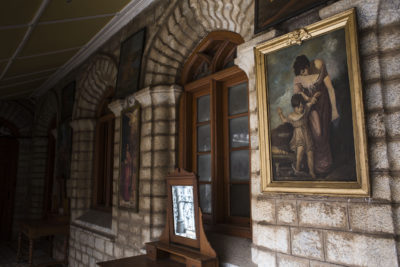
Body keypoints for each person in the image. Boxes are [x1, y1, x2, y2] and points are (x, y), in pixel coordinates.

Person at [292, 55, 339, 174]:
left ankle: (325, 166)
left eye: (304, 71)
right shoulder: (299, 78)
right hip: (311, 107)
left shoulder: (318, 65)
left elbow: (330, 89)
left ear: (307, 66)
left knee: (324, 133)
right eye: (301, 73)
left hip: (324, 105)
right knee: (317, 134)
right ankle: (318, 166)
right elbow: (296, 97)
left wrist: (334, 110)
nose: (303, 74)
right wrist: (307, 98)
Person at [277, 93, 320, 178]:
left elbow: (313, 101)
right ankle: (297, 170)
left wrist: (312, 96)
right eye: (298, 107)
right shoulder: (291, 116)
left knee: (310, 153)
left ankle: (311, 172)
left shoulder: (306, 109)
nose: (301, 108)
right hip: (298, 136)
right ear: (294, 107)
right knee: (300, 152)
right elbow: (285, 121)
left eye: (302, 106)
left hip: (307, 134)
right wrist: (280, 114)